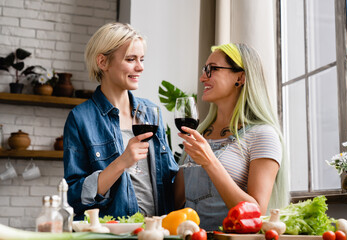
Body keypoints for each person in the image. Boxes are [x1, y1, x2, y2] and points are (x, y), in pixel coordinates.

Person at [63, 22, 179, 220]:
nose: (140, 67)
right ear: (103, 62)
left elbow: (171, 179)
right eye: (131, 59)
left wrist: (197, 163)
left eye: (142, 59)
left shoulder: (150, 113)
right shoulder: (81, 118)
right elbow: (75, 194)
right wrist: (122, 163)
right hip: (111, 232)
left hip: (155, 230)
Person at [175, 43, 289, 230]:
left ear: (240, 77)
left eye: (212, 70)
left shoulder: (262, 135)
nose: (203, 78)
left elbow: (256, 213)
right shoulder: (201, 133)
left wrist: (210, 162)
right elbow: (177, 201)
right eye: (205, 70)